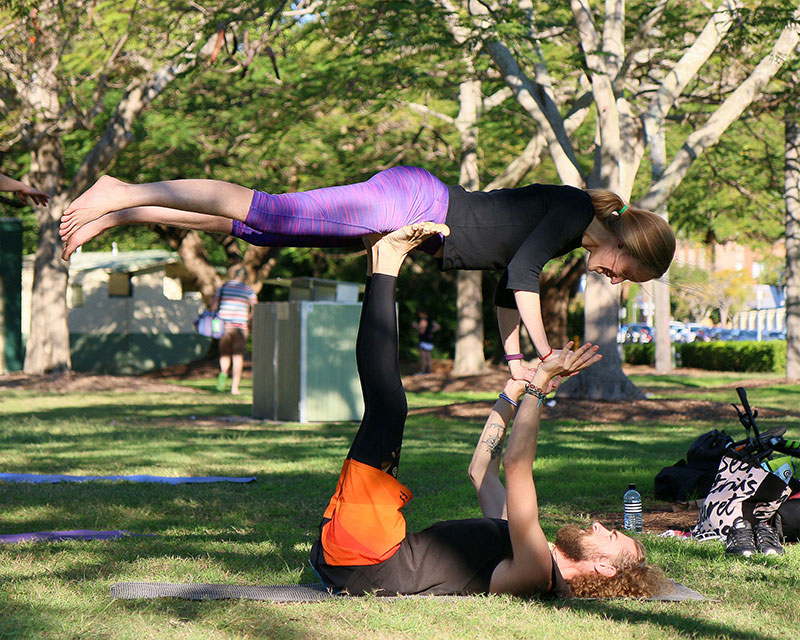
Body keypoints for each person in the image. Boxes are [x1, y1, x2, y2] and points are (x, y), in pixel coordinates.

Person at [308, 223, 670, 598]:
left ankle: (385, 262)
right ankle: (379, 259)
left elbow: (516, 467)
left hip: (366, 561)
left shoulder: (537, 572)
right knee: (387, 408)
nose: (598, 524)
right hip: (362, 554)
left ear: (604, 567)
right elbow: (480, 471)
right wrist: (511, 396)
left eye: (609, 535)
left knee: (388, 408)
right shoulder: (530, 546)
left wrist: (538, 387)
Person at [59, 167, 676, 380]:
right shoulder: (571, 211)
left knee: (263, 228)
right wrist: (544, 354)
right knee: (267, 207)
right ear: (630, 246)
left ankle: (123, 214)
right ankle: (119, 190)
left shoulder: (566, 237)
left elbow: (507, 292)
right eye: (630, 273)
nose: (617, 281)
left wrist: (516, 362)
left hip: (405, 219)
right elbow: (520, 276)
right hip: (411, 203)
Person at [211, 267, 257, 395]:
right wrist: (250, 319)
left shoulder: (224, 287)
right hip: (240, 327)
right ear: (245, 277)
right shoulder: (248, 290)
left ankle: (223, 373)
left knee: (224, 353)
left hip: (224, 325)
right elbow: (255, 307)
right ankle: (234, 388)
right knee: (238, 356)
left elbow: (214, 306)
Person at [412, 310, 440, 375]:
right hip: (430, 340)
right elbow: (438, 327)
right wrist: (430, 331)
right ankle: (429, 371)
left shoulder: (423, 321)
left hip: (424, 340)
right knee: (429, 357)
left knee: (423, 357)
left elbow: (422, 331)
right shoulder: (431, 320)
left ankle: (422, 371)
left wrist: (416, 326)